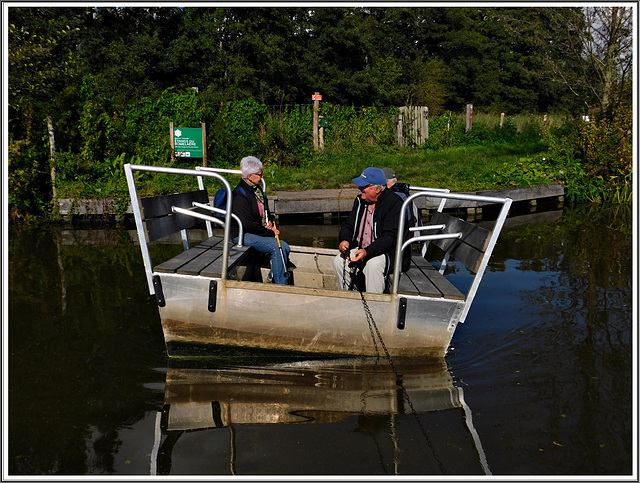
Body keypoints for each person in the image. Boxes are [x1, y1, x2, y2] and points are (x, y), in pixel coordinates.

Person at [333, 167, 406, 293]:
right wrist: (344, 240)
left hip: (387, 252)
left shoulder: (394, 203)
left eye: (364, 186)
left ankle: (374, 306)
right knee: (339, 261)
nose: (360, 189)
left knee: (372, 265)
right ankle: (352, 299)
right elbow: (348, 225)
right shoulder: (360, 201)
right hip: (363, 248)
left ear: (378, 188)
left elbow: (390, 237)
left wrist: (367, 252)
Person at [229, 156, 291, 285]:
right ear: (250, 176)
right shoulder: (239, 195)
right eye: (260, 174)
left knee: (284, 246)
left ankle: (273, 277)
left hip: (254, 230)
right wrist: (269, 232)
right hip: (241, 234)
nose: (262, 177)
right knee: (276, 247)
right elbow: (248, 224)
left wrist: (268, 222)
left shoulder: (255, 191)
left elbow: (264, 212)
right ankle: (280, 285)